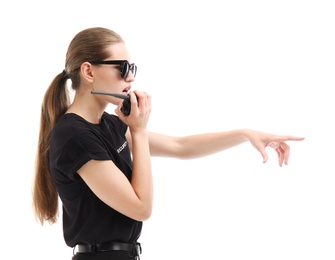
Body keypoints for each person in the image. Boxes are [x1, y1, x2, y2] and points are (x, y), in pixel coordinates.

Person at [32, 27, 304, 260]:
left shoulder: (109, 125)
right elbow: (141, 207)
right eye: (122, 68)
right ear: (89, 71)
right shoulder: (74, 135)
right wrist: (138, 131)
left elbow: (180, 146)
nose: (130, 78)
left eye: (132, 68)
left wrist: (245, 134)